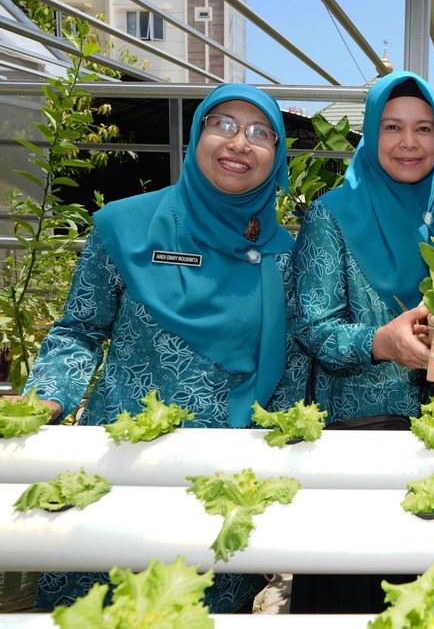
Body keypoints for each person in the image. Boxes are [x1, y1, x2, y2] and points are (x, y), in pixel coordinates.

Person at [16, 83, 307, 613]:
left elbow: (289, 368)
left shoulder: (285, 255)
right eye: (223, 125)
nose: (240, 142)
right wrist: (48, 396)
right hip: (122, 465)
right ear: (197, 137)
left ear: (277, 156)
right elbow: (79, 328)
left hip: (220, 481)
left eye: (260, 132)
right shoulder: (124, 227)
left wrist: (274, 468)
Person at [289, 71, 434, 613]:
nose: (409, 143)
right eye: (392, 127)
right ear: (370, 132)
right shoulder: (332, 215)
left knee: (424, 595)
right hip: (355, 440)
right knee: (354, 595)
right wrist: (379, 342)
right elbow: (312, 327)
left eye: (424, 128)